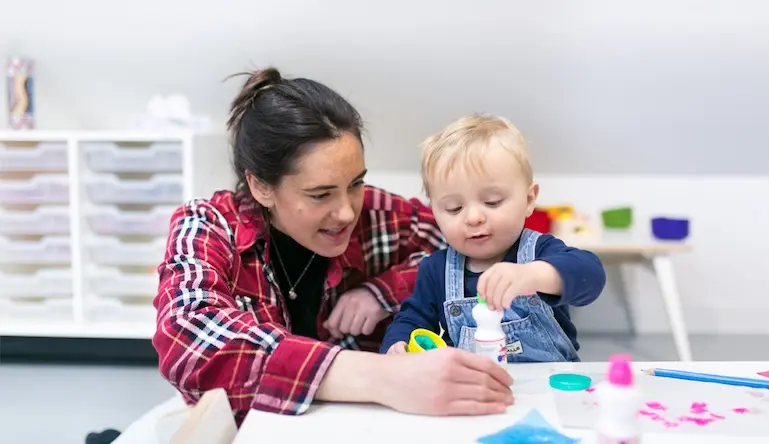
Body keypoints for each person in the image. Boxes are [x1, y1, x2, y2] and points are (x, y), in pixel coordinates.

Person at [152, 68, 516, 425]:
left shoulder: (376, 212)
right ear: (261, 186)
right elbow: (188, 339)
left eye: (355, 184)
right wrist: (384, 377)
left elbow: (478, 247)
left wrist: (382, 291)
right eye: (320, 194)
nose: (346, 212)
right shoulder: (208, 225)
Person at [379, 114, 606, 361]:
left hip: (550, 385)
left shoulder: (540, 250)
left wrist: (533, 274)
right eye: (454, 208)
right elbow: (411, 319)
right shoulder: (436, 270)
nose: (473, 217)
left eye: (492, 202)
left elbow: (590, 276)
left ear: (529, 200)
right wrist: (397, 344)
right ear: (434, 211)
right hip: (474, 388)